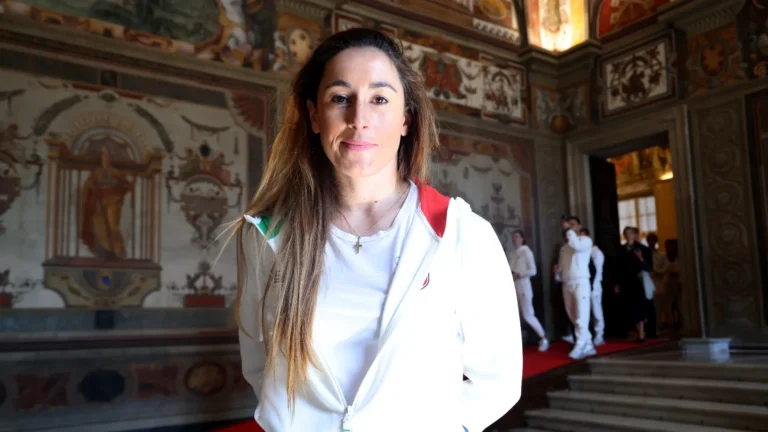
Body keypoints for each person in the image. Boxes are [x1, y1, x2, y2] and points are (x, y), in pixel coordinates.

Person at [229, 28, 522, 432]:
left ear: (405, 119)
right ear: (314, 116)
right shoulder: (265, 236)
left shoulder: (462, 235)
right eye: (339, 98)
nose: (359, 119)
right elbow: (261, 368)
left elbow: (498, 381)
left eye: (379, 99)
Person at [553, 216, 595, 360]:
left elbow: (576, 246)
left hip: (581, 282)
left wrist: (568, 230)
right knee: (573, 316)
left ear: (579, 226)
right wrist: (557, 274)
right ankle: (588, 344)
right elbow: (562, 268)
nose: (570, 227)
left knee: (581, 316)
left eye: (573, 225)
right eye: (568, 225)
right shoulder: (564, 248)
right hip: (567, 284)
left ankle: (580, 345)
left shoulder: (585, 241)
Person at [509, 230, 549, 352]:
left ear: (522, 239)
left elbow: (533, 270)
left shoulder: (526, 252)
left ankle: (543, 338)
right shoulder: (513, 254)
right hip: (514, 286)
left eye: (517, 236)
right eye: (513, 237)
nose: (515, 239)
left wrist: (519, 274)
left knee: (528, 315)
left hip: (524, 285)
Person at [615, 227, 653, 342]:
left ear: (635, 235)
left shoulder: (643, 249)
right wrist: (617, 283)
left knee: (638, 307)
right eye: (626, 233)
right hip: (625, 282)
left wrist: (640, 258)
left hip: (637, 281)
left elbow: (649, 267)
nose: (628, 236)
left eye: (630, 233)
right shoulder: (621, 249)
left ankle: (641, 334)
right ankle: (639, 332)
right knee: (628, 308)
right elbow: (618, 267)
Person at [580, 228, 605, 346]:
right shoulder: (584, 252)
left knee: (596, 310)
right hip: (585, 285)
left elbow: (597, 271)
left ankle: (599, 334)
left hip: (594, 285)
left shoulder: (596, 252)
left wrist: (592, 286)